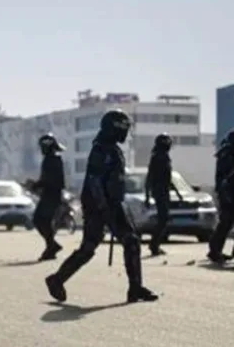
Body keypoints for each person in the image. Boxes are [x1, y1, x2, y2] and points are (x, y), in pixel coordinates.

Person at [45, 109, 159, 304]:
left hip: (109, 203)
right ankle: (57, 279)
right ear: (114, 128)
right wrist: (105, 208)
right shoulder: (102, 149)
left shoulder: (110, 148)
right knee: (102, 245)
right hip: (101, 205)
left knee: (123, 243)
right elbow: (95, 181)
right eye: (123, 128)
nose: (125, 133)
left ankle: (135, 288)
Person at [144, 133, 183, 256]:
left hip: (164, 191)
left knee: (164, 219)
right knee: (163, 218)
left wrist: (177, 193)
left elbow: (169, 178)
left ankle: (155, 244)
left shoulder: (165, 157)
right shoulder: (157, 157)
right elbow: (150, 177)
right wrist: (147, 195)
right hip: (159, 191)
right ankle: (154, 244)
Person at [213, 128, 234, 260]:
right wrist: (226, 195)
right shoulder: (226, 155)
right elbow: (226, 177)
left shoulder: (233, 155)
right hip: (227, 193)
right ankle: (215, 251)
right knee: (226, 222)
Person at [31, 133, 65, 261]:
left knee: (39, 220)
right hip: (50, 194)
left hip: (51, 195)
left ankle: (51, 246)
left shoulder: (53, 159)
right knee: (43, 221)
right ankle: (51, 246)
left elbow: (51, 180)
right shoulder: (52, 158)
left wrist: (36, 184)